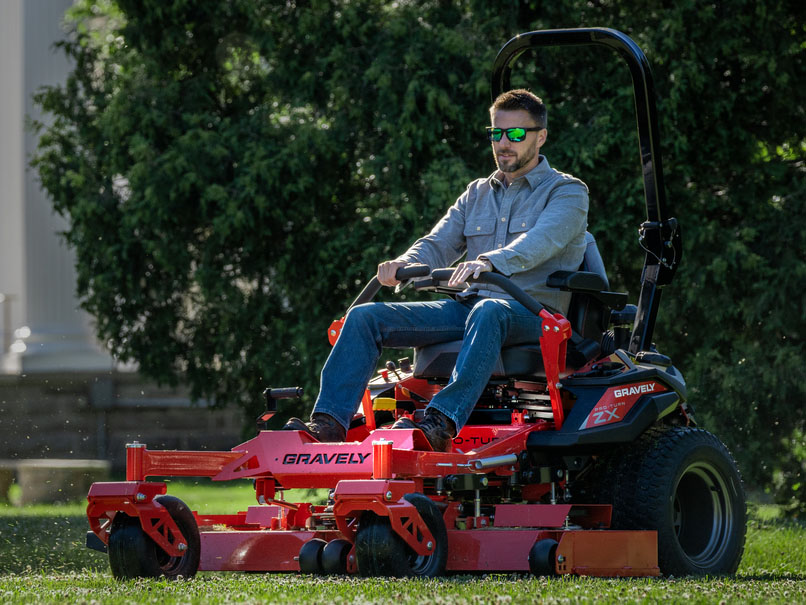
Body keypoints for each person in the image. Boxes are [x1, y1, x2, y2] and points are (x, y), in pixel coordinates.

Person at [283, 89, 589, 451]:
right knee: (365, 317)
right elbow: (438, 242)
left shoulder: (568, 191)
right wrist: (405, 263)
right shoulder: (476, 193)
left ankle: (440, 421)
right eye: (497, 133)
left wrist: (490, 262)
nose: (504, 143)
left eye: (516, 134)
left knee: (489, 310)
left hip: (533, 312)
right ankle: (329, 424)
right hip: (470, 309)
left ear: (541, 137)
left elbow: (541, 241)